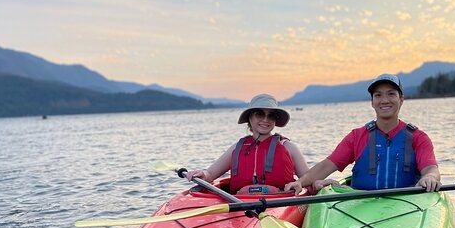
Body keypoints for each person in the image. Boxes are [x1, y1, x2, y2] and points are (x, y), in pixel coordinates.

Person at [286, 74, 441, 194]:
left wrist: (430, 178)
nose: (384, 100)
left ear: (401, 99)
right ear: (372, 102)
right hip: (361, 204)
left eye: (391, 94)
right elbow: (328, 165)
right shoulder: (356, 136)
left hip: (408, 204)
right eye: (378, 95)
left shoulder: (418, 137)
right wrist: (301, 182)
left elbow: (430, 169)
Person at [185, 93, 309, 194]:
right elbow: (210, 174)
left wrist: (318, 183)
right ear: (250, 118)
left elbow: (308, 180)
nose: (266, 120)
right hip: (241, 203)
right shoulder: (237, 147)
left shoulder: (288, 147)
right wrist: (201, 174)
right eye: (260, 114)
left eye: (271, 116)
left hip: (280, 202)